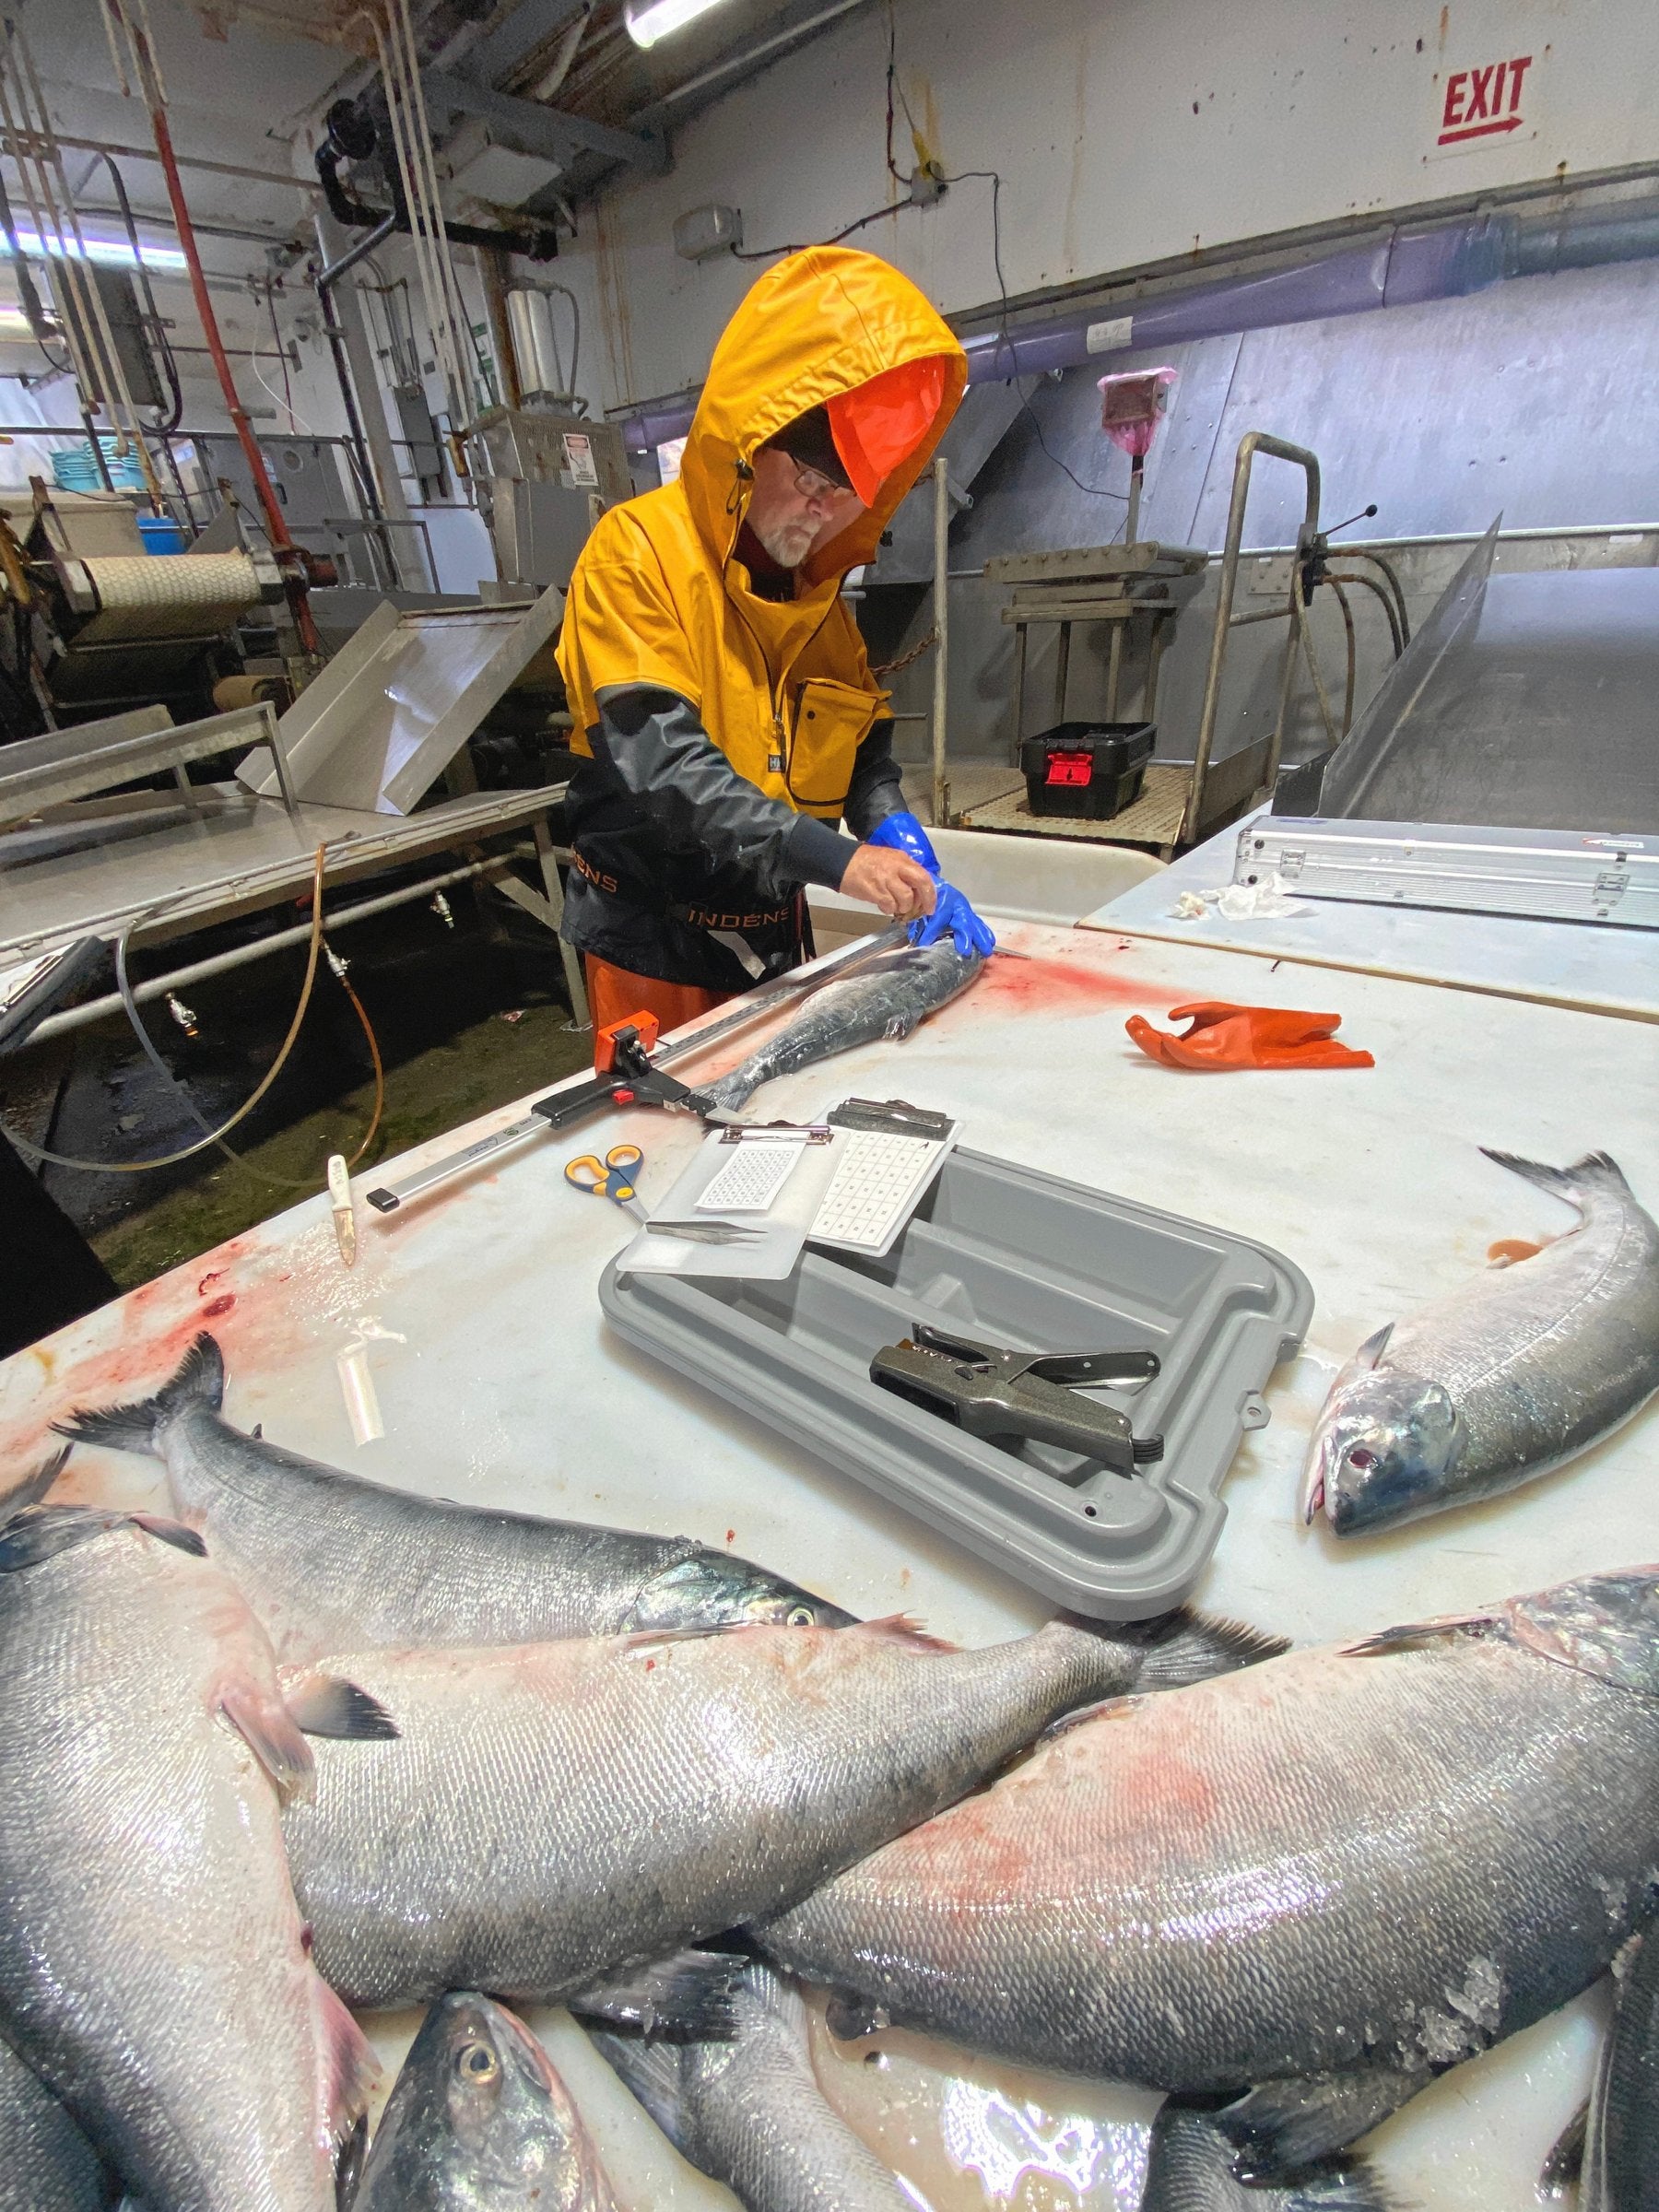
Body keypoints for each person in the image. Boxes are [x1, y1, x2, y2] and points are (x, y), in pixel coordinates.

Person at [556, 245, 994, 1049]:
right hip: (654, 934)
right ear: (747, 448)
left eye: (847, 502)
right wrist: (844, 865)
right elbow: (669, 773)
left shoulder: (817, 598)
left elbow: (859, 749)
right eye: (814, 485)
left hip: (771, 924)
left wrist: (893, 829)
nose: (821, 518)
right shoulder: (636, 554)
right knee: (663, 1136)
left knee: (777, 1121)